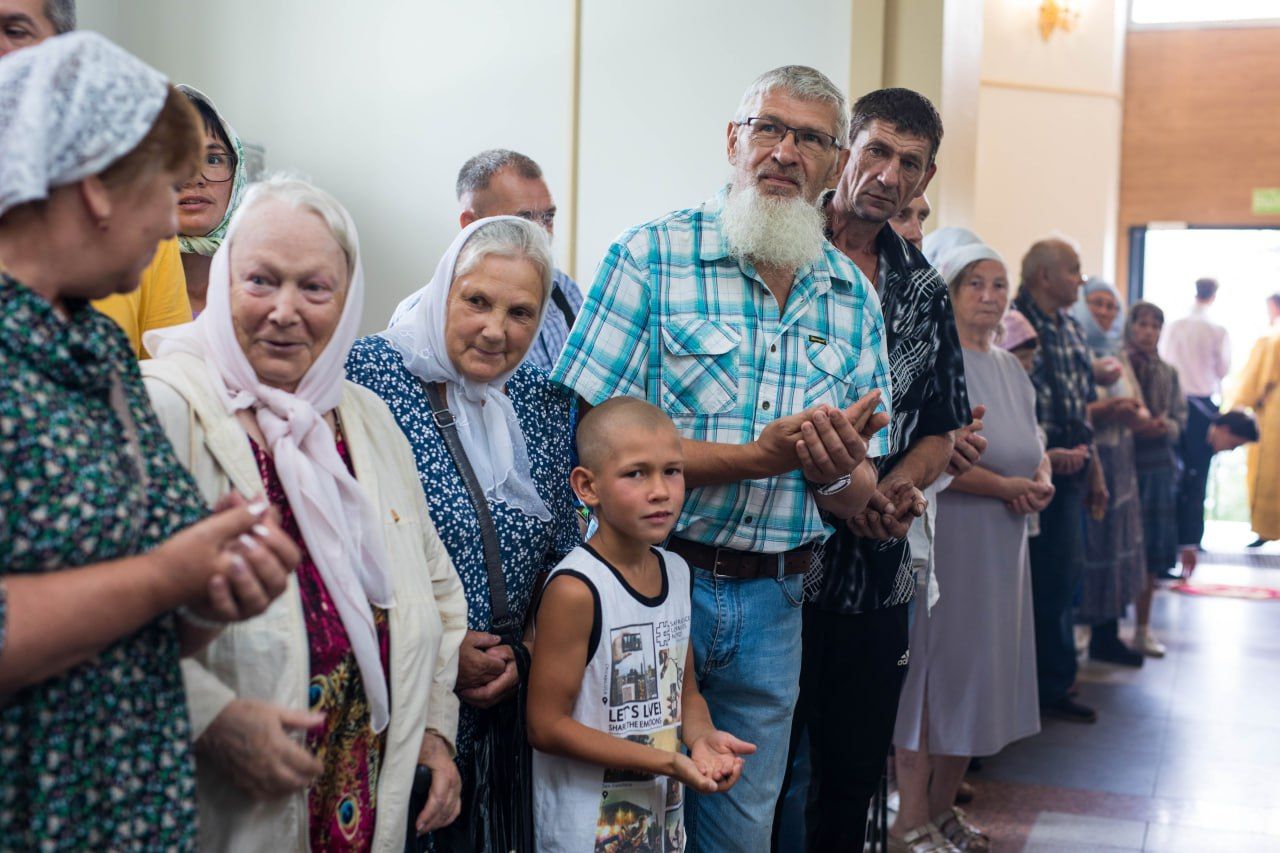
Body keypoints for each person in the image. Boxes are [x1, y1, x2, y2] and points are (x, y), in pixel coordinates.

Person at [551, 65, 892, 852]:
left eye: (810, 138)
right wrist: (755, 457)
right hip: (647, 585)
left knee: (742, 831)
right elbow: (591, 440)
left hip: (776, 600)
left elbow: (858, 491)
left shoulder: (851, 296)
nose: (785, 152)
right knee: (628, 824)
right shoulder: (650, 255)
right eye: (768, 128)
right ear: (734, 140)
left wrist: (838, 472)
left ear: (835, 163)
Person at [0, 32, 300, 849]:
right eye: (167, 187)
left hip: (134, 806)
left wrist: (209, 595)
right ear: (96, 184)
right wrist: (168, 572)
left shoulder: (103, 353)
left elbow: (152, 624)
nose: (175, 221)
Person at [142, 177, 469, 849]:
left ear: (347, 301)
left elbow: (435, 587)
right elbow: (103, 624)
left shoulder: (366, 418)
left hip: (359, 798)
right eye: (260, 281)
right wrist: (212, 717)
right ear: (223, 281)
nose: (284, 311)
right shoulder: (163, 408)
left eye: (314, 288)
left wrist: (434, 725)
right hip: (221, 805)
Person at [346, 216, 581, 846]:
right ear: (442, 289)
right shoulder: (364, 377)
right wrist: (440, 653)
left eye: (520, 312)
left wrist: (525, 653)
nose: (496, 329)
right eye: (477, 300)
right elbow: (342, 549)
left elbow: (565, 552)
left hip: (511, 711)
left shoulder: (538, 398)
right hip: (400, 702)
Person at [801, 87, 973, 851]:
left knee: (852, 770)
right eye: (876, 151)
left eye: (909, 163)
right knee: (771, 772)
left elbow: (942, 423)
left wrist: (897, 488)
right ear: (846, 150)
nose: (888, 175)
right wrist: (853, 488)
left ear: (925, 179)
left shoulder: (924, 288)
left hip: (876, 568)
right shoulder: (785, 252)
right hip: (781, 562)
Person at [528, 398, 756, 851]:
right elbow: (545, 726)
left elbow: (685, 693)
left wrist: (702, 738)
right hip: (585, 834)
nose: (660, 491)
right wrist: (666, 762)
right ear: (587, 486)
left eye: (672, 471)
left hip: (659, 829)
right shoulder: (577, 588)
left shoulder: (677, 572)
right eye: (636, 473)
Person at [890, 241, 1047, 853]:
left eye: (999, 284)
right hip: (953, 535)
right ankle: (910, 818)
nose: (990, 296)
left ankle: (943, 808)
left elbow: (1033, 442)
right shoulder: (941, 361)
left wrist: (1040, 479)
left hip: (1002, 543)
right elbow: (936, 453)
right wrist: (1005, 485)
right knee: (937, 675)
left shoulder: (1010, 367)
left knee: (982, 670)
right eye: (975, 284)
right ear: (950, 294)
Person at [0, 0, 193, 355]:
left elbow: (170, 368)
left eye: (15, 31)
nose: (171, 223)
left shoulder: (103, 342)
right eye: (168, 187)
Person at [1012, 239, 1101, 723]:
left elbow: (1083, 406)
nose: (1080, 279)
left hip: (1073, 466)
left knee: (1064, 577)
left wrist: (1095, 470)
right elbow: (1010, 405)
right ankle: (1025, 687)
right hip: (1025, 468)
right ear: (1045, 276)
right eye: (1073, 270)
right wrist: (1045, 455)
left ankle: (1054, 684)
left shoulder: (1070, 327)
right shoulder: (1013, 324)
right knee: (1028, 582)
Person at [1072, 279, 1149, 667]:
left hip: (1121, 463)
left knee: (1116, 545)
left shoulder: (1117, 352)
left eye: (1111, 306)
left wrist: (1134, 413)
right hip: (1088, 462)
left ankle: (1107, 634)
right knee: (1089, 547)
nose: (1104, 312)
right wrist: (1107, 410)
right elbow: (1069, 410)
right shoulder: (1073, 348)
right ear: (1081, 306)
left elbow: (1140, 405)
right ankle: (1077, 633)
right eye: (1097, 304)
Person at [456, 149, 583, 371]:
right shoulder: (425, 315)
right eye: (524, 219)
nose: (542, 232)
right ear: (471, 224)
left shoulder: (563, 289)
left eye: (548, 217)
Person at [1125, 300, 1186, 654]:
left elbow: (1180, 416)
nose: (1149, 332)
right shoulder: (1120, 365)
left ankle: (1143, 627)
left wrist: (1165, 427)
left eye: (1155, 326)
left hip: (1158, 464)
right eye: (1143, 324)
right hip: (1126, 461)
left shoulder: (1169, 372)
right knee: (1118, 542)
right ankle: (1096, 625)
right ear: (1131, 326)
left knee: (1150, 549)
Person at [1160, 277, 1230, 553]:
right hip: (1201, 403)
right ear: (1214, 295)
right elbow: (1223, 369)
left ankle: (1170, 540)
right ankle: (1191, 539)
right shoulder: (1217, 329)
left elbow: (1164, 358)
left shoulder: (1175, 324)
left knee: (1172, 472)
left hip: (1173, 402)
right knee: (1197, 476)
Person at [175, 85, 248, 316]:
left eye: (213, 159)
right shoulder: (113, 284)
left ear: (237, 178)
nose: (195, 178)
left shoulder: (267, 285)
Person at [1231, 293, 1280, 547]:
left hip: (1274, 413)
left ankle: (1267, 528)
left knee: (1270, 471)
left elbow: (1253, 382)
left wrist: (1236, 406)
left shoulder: (1271, 338)